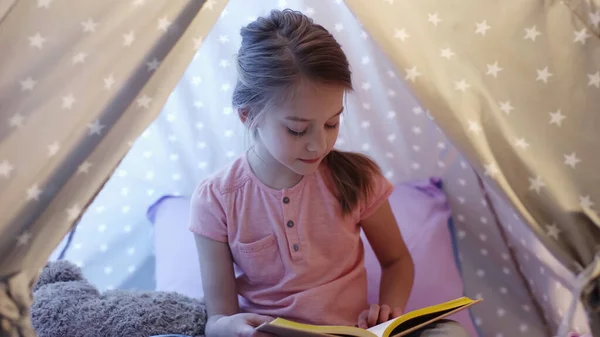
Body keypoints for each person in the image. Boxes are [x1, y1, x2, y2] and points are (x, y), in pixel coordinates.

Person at [190, 8, 470, 337]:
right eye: (297, 130)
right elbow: (217, 320)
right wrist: (231, 327)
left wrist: (389, 310)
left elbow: (397, 262)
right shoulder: (216, 200)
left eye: (332, 123)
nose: (318, 145)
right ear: (248, 115)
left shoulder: (356, 178)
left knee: (449, 333)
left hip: (353, 332)